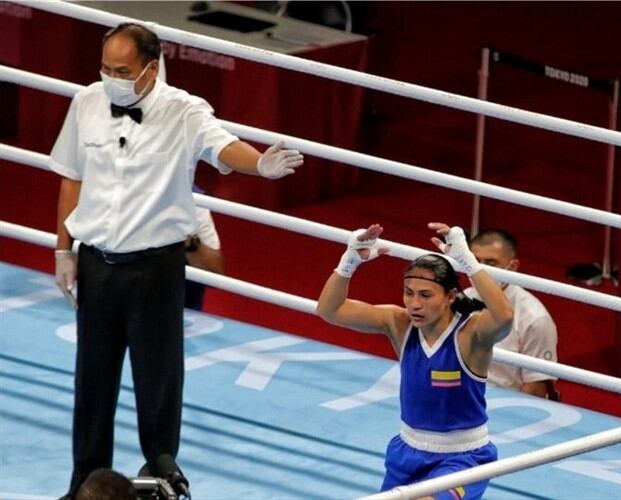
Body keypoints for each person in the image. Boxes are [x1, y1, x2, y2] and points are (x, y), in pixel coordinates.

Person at [51, 23, 304, 498]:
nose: (110, 77)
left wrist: (261, 165)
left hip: (156, 268)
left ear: (151, 68)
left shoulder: (185, 111)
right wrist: (63, 249)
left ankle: (163, 483)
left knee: (159, 383)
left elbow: (224, 145)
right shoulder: (86, 102)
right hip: (97, 265)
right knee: (92, 384)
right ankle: (84, 486)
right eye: (104, 67)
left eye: (121, 70)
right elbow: (71, 179)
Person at [316, 222, 513, 500]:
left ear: (450, 297)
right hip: (407, 452)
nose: (415, 304)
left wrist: (468, 262)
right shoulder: (399, 324)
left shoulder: (471, 334)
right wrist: (348, 263)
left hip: (463, 460)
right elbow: (329, 309)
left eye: (425, 295)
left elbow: (504, 316)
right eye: (409, 293)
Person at [465, 229, 559, 399]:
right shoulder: (460, 299)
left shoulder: (535, 318)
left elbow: (537, 386)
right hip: (460, 395)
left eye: (491, 263)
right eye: (475, 261)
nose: (479, 269)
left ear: (513, 267)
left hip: (505, 406)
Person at [184, 186, 225, 311]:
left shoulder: (190, 196)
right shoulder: (125, 194)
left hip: (180, 311)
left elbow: (214, 273)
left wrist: (186, 238)